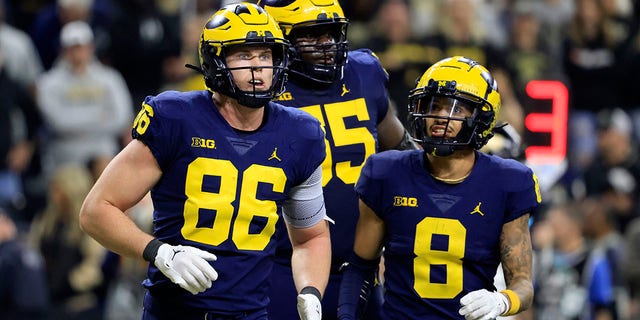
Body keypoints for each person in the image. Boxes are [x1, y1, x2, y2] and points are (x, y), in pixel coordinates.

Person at [79, 3, 331, 320]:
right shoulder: (175, 117)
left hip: (250, 314)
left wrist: (310, 291)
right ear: (215, 61)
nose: (258, 68)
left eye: (265, 56)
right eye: (244, 55)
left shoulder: (301, 134)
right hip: (174, 312)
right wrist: (160, 252)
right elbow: (95, 211)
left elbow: (312, 236)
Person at [338, 56, 542, 319]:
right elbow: (360, 268)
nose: (440, 117)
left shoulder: (507, 182)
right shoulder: (385, 173)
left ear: (481, 118)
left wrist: (502, 302)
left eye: (456, 110)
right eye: (434, 105)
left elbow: (523, 284)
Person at [258, 0, 417, 319]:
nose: (327, 44)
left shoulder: (362, 72)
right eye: (312, 35)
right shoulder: (261, 88)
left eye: (331, 33)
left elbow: (401, 148)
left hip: (360, 270)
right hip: (285, 267)